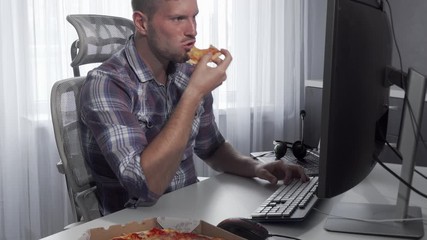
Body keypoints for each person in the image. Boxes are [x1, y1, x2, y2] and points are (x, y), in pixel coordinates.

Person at [79, 0, 309, 215]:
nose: (192, 30)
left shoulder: (186, 72)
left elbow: (212, 149)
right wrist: (193, 95)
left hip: (189, 210)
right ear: (142, 23)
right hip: (135, 223)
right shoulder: (107, 83)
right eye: (178, 19)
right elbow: (145, 187)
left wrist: (257, 167)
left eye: (194, 17)